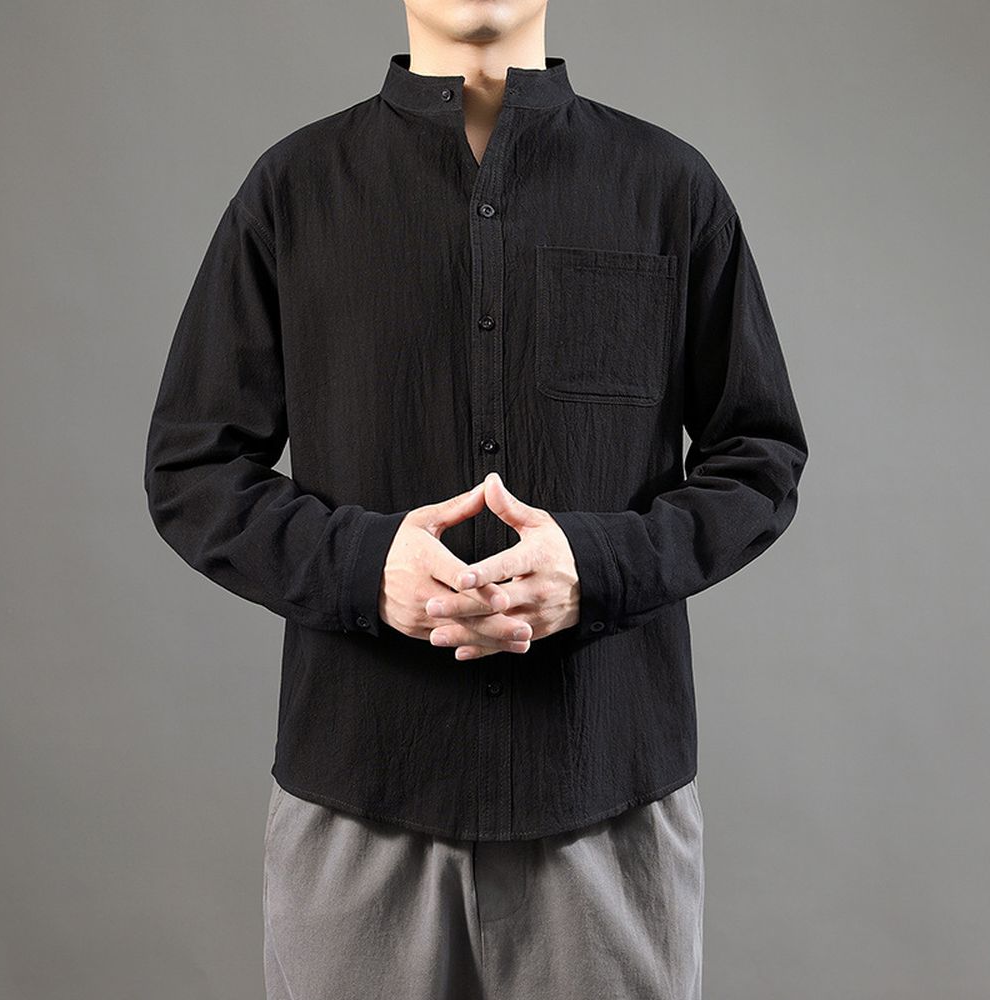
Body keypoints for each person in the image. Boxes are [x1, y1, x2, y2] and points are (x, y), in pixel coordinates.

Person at [143, 1, 809, 997]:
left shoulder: (669, 187)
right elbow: (191, 466)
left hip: (607, 794)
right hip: (358, 795)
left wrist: (599, 568)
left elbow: (759, 456)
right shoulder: (293, 189)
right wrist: (363, 568)